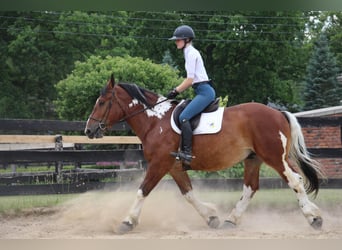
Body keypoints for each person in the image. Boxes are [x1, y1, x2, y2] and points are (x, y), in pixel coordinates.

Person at [166, 25, 216, 166]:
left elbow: (189, 80)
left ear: (187, 40)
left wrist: (175, 91)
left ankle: (187, 152)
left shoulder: (191, 53)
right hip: (201, 91)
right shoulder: (188, 52)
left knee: (183, 117)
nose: (176, 42)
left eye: (178, 40)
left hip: (205, 92)